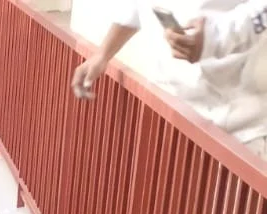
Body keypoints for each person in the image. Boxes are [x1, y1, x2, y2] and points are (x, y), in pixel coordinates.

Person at [70, 2, 267, 157]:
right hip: (168, 103)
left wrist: (216, 37)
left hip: (236, 124)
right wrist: (103, 54)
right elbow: (135, 5)